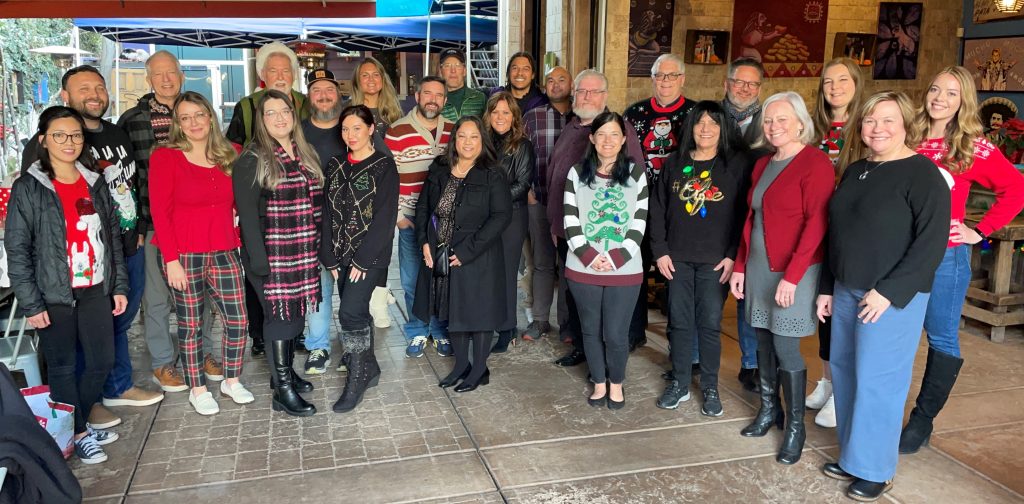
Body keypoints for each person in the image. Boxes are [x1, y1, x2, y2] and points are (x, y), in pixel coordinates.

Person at [816, 91, 951, 502]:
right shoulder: (857, 169)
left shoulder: (923, 175)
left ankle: (875, 468)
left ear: (906, 125)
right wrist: (826, 286)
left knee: (879, 381)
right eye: (871, 120)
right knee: (845, 372)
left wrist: (888, 293)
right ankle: (855, 455)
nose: (877, 128)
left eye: (888, 120)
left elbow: (931, 246)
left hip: (890, 298)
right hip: (845, 287)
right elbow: (835, 233)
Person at [20, 65, 163, 429]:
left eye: (100, 87)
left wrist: (141, 226)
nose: (95, 94)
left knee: (118, 324)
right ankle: (86, 409)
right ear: (65, 96)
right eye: (84, 88)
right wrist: (33, 296)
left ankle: (115, 386)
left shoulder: (116, 134)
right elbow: (27, 234)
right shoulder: (40, 162)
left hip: (119, 250)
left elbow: (135, 183)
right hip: (65, 276)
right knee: (76, 346)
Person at [900, 67, 1024, 454]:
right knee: (894, 334)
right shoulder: (907, 134)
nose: (940, 98)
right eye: (935, 88)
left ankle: (922, 421)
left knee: (940, 336)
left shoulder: (971, 146)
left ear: (963, 102)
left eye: (952, 93)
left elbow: (1016, 189)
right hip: (897, 253)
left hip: (945, 256)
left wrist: (979, 231)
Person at [7, 106, 129, 464]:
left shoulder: (94, 181)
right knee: (61, 367)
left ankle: (76, 423)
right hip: (54, 293)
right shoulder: (29, 187)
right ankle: (76, 434)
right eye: (59, 135)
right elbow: (17, 248)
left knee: (100, 361)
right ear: (44, 140)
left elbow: (112, 239)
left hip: (95, 286)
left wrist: (118, 285)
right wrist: (32, 303)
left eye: (75, 135)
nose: (69, 142)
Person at [729, 91, 833, 465]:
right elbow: (751, 221)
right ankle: (769, 411)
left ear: (800, 123)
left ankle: (795, 427)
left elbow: (816, 225)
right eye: (769, 120)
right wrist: (740, 266)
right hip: (758, 268)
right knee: (761, 342)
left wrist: (792, 277)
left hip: (796, 271)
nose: (773, 127)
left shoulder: (815, 163)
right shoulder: (763, 164)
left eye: (782, 119)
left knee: (786, 347)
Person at [119, 51, 224, 388]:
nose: (166, 79)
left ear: (181, 75)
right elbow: (126, 179)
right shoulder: (133, 119)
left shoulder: (197, 113)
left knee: (201, 297)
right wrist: (134, 227)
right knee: (158, 298)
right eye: (158, 74)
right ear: (148, 79)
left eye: (172, 73)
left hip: (195, 226)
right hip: (153, 223)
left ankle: (204, 351)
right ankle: (164, 361)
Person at [149, 91, 253, 416]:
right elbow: (160, 212)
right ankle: (197, 388)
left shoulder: (231, 153)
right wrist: (171, 259)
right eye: (185, 117)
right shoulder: (165, 158)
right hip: (184, 254)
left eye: (199, 115)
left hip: (225, 250)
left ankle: (231, 380)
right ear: (178, 124)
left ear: (210, 116)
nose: (194, 123)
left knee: (238, 320)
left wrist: (237, 236)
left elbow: (241, 204)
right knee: (190, 324)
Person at [650, 101, 752, 417]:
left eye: (713, 123)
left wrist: (733, 255)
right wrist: (660, 251)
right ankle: (680, 382)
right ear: (690, 127)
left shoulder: (734, 165)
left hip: (715, 263)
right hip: (676, 259)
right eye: (699, 122)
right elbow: (656, 210)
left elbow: (743, 215)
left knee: (708, 324)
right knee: (679, 324)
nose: (705, 128)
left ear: (723, 129)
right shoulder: (673, 163)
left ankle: (709, 386)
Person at [234, 89, 324, 417]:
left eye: (283, 110)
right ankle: (282, 389)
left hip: (301, 251)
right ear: (261, 119)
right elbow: (246, 213)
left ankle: (283, 374)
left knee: (294, 315)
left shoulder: (305, 151)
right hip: (270, 253)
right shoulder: (253, 157)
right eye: (270, 113)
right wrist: (258, 261)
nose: (279, 117)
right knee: (281, 318)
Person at [546, 69, 645, 367]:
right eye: (582, 91)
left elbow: (635, 189)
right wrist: (554, 223)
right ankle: (582, 347)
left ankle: (608, 355)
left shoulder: (620, 131)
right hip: (569, 230)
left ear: (604, 96)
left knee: (609, 305)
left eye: (593, 92)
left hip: (608, 237)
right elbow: (555, 175)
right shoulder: (572, 126)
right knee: (578, 297)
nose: (586, 97)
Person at [415, 116, 512, 392]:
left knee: (478, 312)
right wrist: (424, 241)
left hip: (477, 254)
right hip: (442, 252)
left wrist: (468, 251)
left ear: (482, 141)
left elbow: (501, 217)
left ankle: (480, 369)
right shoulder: (440, 169)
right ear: (454, 140)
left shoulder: (493, 173)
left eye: (474, 137)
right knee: (453, 310)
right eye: (462, 136)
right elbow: (424, 207)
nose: (467, 143)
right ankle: (461, 366)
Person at [563, 111, 649, 409]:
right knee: (589, 330)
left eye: (614, 134)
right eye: (601, 134)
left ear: (624, 139)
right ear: (592, 138)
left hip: (624, 270)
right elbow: (570, 219)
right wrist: (588, 256)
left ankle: (616, 383)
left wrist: (613, 258)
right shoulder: (577, 173)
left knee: (615, 333)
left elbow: (639, 221)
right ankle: (598, 382)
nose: (607, 140)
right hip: (581, 268)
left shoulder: (636, 174)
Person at [322, 105, 399, 412]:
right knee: (357, 314)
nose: (350, 135)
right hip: (339, 254)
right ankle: (370, 366)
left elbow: (384, 218)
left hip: (369, 256)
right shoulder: (335, 164)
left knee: (350, 315)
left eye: (357, 128)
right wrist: (328, 255)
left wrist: (362, 261)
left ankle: (357, 375)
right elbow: (327, 212)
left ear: (371, 129)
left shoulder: (384, 166)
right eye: (345, 129)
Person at [806, 57, 864, 429]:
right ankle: (827, 380)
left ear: (857, 84)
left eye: (843, 80)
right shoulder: (815, 129)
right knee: (822, 312)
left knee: (845, 314)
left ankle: (845, 392)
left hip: (850, 232)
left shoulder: (864, 128)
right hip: (817, 229)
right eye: (828, 82)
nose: (835, 87)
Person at [385, 76, 453, 359]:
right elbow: (388, 178)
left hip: (445, 222)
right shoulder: (397, 131)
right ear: (416, 96)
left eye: (439, 95)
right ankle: (417, 329)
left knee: (442, 277)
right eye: (427, 93)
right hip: (412, 218)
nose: (432, 99)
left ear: (445, 101)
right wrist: (399, 216)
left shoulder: (453, 131)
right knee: (412, 278)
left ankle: (439, 329)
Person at [348, 57, 404, 337]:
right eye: (365, 75)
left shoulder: (395, 113)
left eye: (376, 75)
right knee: (364, 245)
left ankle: (379, 298)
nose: (371, 80)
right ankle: (370, 295)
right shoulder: (350, 112)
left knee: (384, 244)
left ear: (383, 80)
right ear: (358, 81)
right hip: (361, 192)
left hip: (391, 189)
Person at [720, 57, 765, 392]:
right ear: (727, 84)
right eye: (739, 82)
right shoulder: (710, 116)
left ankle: (750, 363)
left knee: (748, 297)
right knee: (707, 295)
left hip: (755, 218)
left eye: (752, 84)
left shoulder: (771, 120)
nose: (745, 89)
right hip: (714, 218)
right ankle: (693, 356)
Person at [298, 68, 345, 375]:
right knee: (317, 287)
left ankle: (357, 346)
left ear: (338, 95)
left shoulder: (351, 127)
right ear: (309, 96)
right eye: (317, 91)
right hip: (311, 221)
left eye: (329, 90)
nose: (324, 96)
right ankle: (318, 346)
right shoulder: (297, 132)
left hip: (349, 223)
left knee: (354, 288)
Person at [522, 66, 572, 342]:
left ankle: (567, 324)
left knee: (567, 265)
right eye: (550, 80)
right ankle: (540, 320)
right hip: (539, 199)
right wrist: (528, 190)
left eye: (561, 80)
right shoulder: (533, 117)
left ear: (571, 85)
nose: (555, 85)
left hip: (574, 206)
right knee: (542, 263)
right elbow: (522, 154)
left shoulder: (583, 118)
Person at [484, 91, 534, 352]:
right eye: (495, 112)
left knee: (505, 273)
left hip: (512, 216)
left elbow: (522, 183)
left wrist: (493, 202)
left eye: (506, 112)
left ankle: (507, 328)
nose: (500, 117)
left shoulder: (522, 145)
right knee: (487, 273)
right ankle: (487, 322)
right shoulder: (482, 142)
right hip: (484, 217)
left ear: (514, 116)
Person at [623, 53, 696, 179]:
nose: (665, 80)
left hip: (682, 187)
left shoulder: (697, 113)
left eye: (673, 75)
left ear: (682, 79)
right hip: (642, 190)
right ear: (652, 79)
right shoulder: (633, 113)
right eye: (659, 75)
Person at [226, 42, 309, 145]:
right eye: (273, 71)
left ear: (294, 74)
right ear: (262, 75)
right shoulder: (247, 106)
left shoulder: (306, 103)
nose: (280, 77)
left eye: (286, 71)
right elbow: (232, 148)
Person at [439, 48, 487, 121]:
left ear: (464, 71)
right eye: (447, 65)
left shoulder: (480, 98)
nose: (453, 70)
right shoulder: (436, 100)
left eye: (457, 65)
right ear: (440, 72)